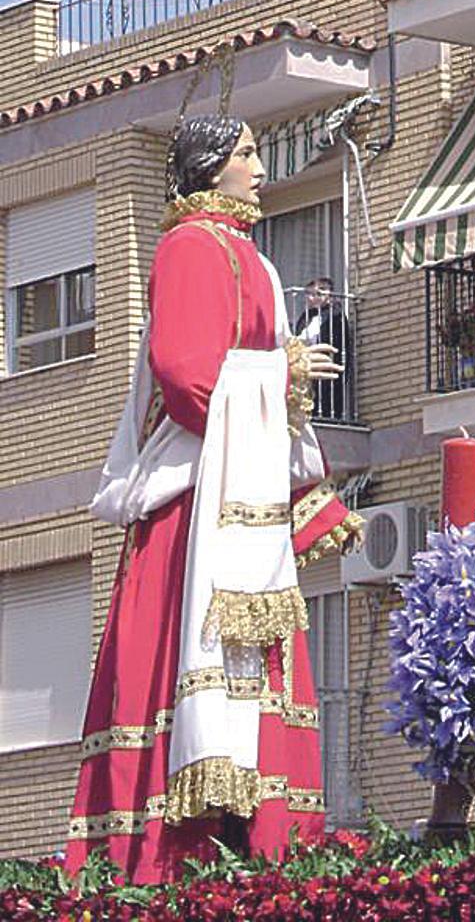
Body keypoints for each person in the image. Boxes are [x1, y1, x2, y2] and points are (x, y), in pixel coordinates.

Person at [66, 116, 363, 883]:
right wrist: (281, 374)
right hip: (194, 514)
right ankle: (171, 863)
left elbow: (257, 392)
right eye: (246, 155)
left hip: (243, 500)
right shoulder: (189, 247)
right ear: (209, 169)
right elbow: (186, 372)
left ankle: (260, 861)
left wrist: (316, 501)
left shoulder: (255, 262)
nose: (260, 168)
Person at [295, 275, 355, 418]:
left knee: (327, 396)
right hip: (307, 364)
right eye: (311, 292)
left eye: (321, 291)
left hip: (326, 364)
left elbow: (337, 342)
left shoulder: (336, 315)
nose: (316, 296)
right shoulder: (305, 318)